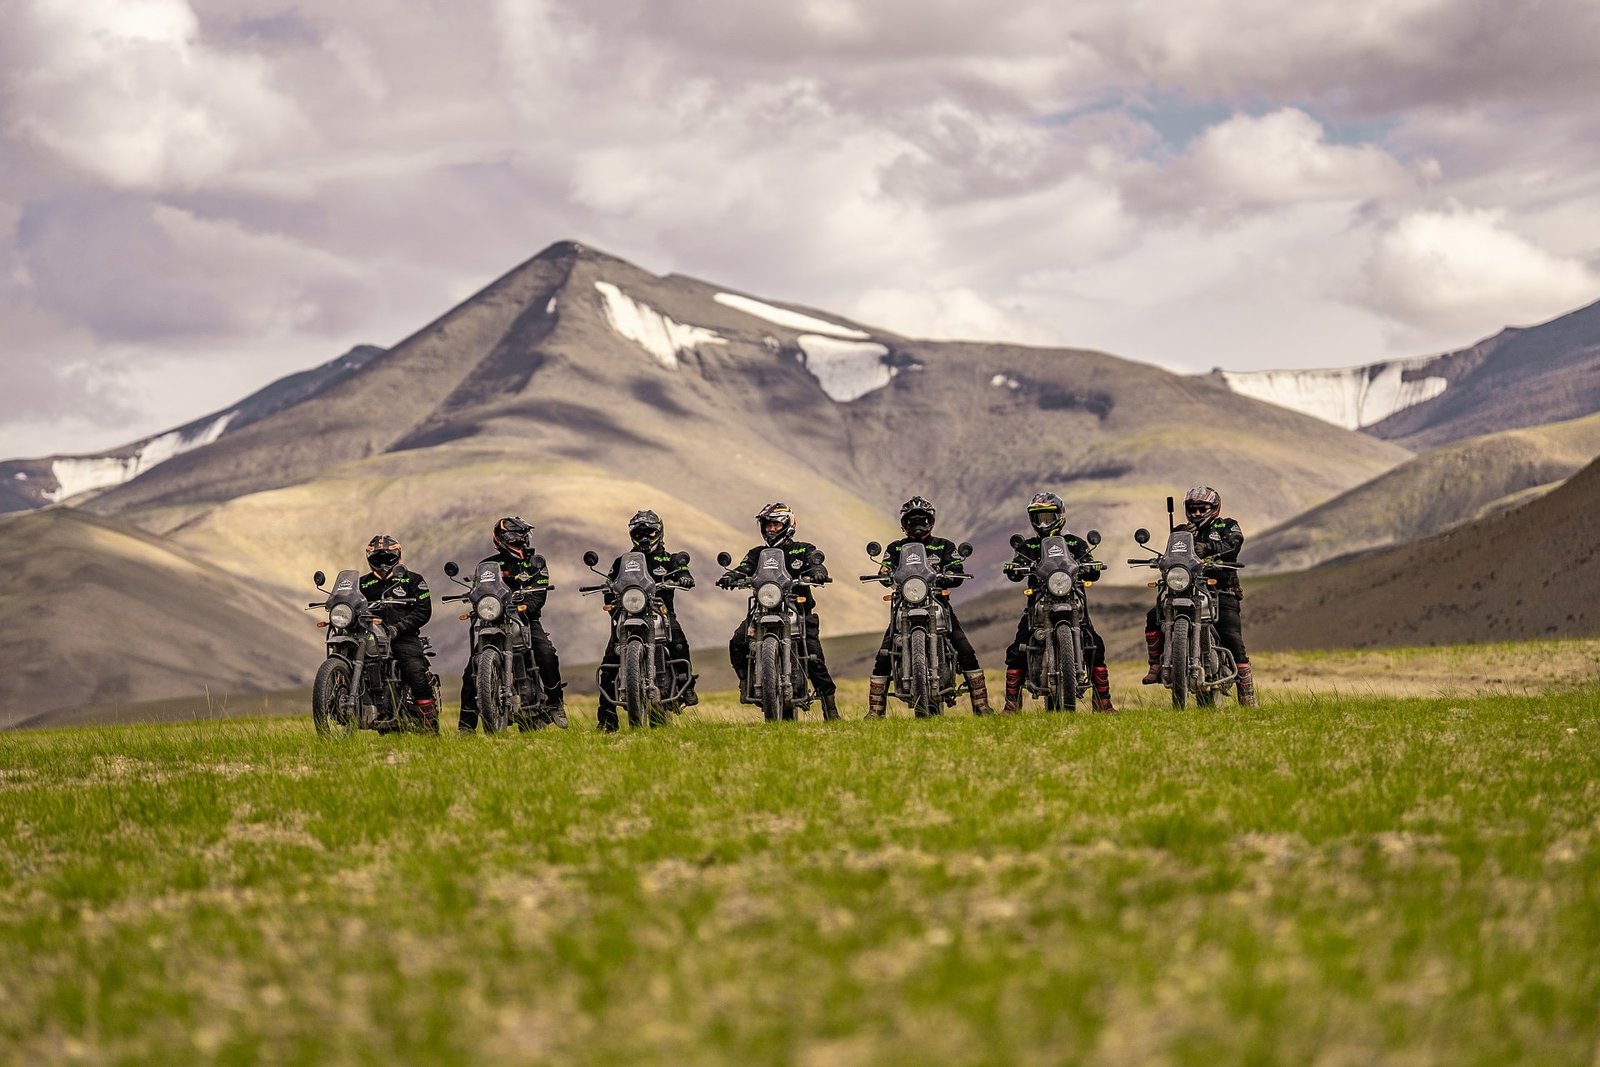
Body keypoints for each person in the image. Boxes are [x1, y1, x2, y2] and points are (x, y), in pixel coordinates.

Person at [866, 496, 991, 717]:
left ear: (930, 521)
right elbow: (885, 569)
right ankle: (876, 712)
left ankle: (981, 706)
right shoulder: (895, 548)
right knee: (884, 654)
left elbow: (956, 567)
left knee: (965, 649)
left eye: (922, 519)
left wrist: (951, 573)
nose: (917, 524)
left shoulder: (944, 545)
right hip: (904, 606)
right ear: (904, 523)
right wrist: (885, 574)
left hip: (938, 603)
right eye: (912, 520)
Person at [718, 502, 839, 720]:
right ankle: (745, 682)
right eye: (768, 525)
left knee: (814, 657)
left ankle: (830, 710)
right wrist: (731, 576)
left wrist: (818, 572)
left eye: (776, 524)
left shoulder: (803, 549)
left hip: (798, 611)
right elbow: (744, 568)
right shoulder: (757, 553)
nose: (771, 529)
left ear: (788, 525)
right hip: (763, 610)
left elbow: (816, 564)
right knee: (737, 641)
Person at [1001, 492, 1115, 713]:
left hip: (1073, 603)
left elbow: (1091, 566)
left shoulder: (1075, 543)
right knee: (1017, 649)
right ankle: (1012, 703)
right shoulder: (1028, 546)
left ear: (1060, 516)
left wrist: (1092, 566)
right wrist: (1013, 568)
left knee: (1095, 645)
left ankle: (1103, 701)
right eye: (1039, 518)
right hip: (1038, 605)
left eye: (1048, 517)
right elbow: (1015, 569)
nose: (1043, 522)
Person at [1142, 485, 1256, 706]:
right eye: (1192, 509)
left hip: (1221, 589)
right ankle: (1155, 664)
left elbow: (1235, 544)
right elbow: (1171, 555)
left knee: (1231, 636)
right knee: (1153, 616)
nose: (1196, 513)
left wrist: (1209, 548)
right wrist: (1160, 562)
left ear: (1214, 508)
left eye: (1201, 509)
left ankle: (1246, 694)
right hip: (1186, 589)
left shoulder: (1227, 525)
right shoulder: (1180, 532)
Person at [458, 516, 568, 733]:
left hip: (525, 618)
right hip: (494, 619)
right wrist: (473, 597)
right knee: (471, 668)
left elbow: (540, 593)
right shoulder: (487, 565)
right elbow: (479, 589)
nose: (519, 539)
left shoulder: (535, 562)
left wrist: (525, 607)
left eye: (522, 535)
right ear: (501, 538)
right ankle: (466, 725)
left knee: (546, 653)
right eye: (513, 536)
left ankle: (556, 703)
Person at [596, 509, 698, 731]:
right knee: (609, 663)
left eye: (649, 531)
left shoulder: (670, 559)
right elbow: (610, 584)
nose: (644, 536)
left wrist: (684, 577)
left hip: (662, 613)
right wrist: (609, 596)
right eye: (639, 532)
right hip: (628, 615)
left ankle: (687, 685)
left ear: (659, 532)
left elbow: (683, 571)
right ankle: (606, 720)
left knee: (679, 643)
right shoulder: (622, 561)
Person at [359, 533, 438, 729]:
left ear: (398, 556)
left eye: (387, 558)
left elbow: (423, 610)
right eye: (378, 558)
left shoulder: (413, 580)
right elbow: (352, 605)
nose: (383, 563)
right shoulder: (362, 583)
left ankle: (429, 719)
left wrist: (398, 628)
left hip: (403, 636)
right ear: (369, 558)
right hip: (370, 636)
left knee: (414, 669)